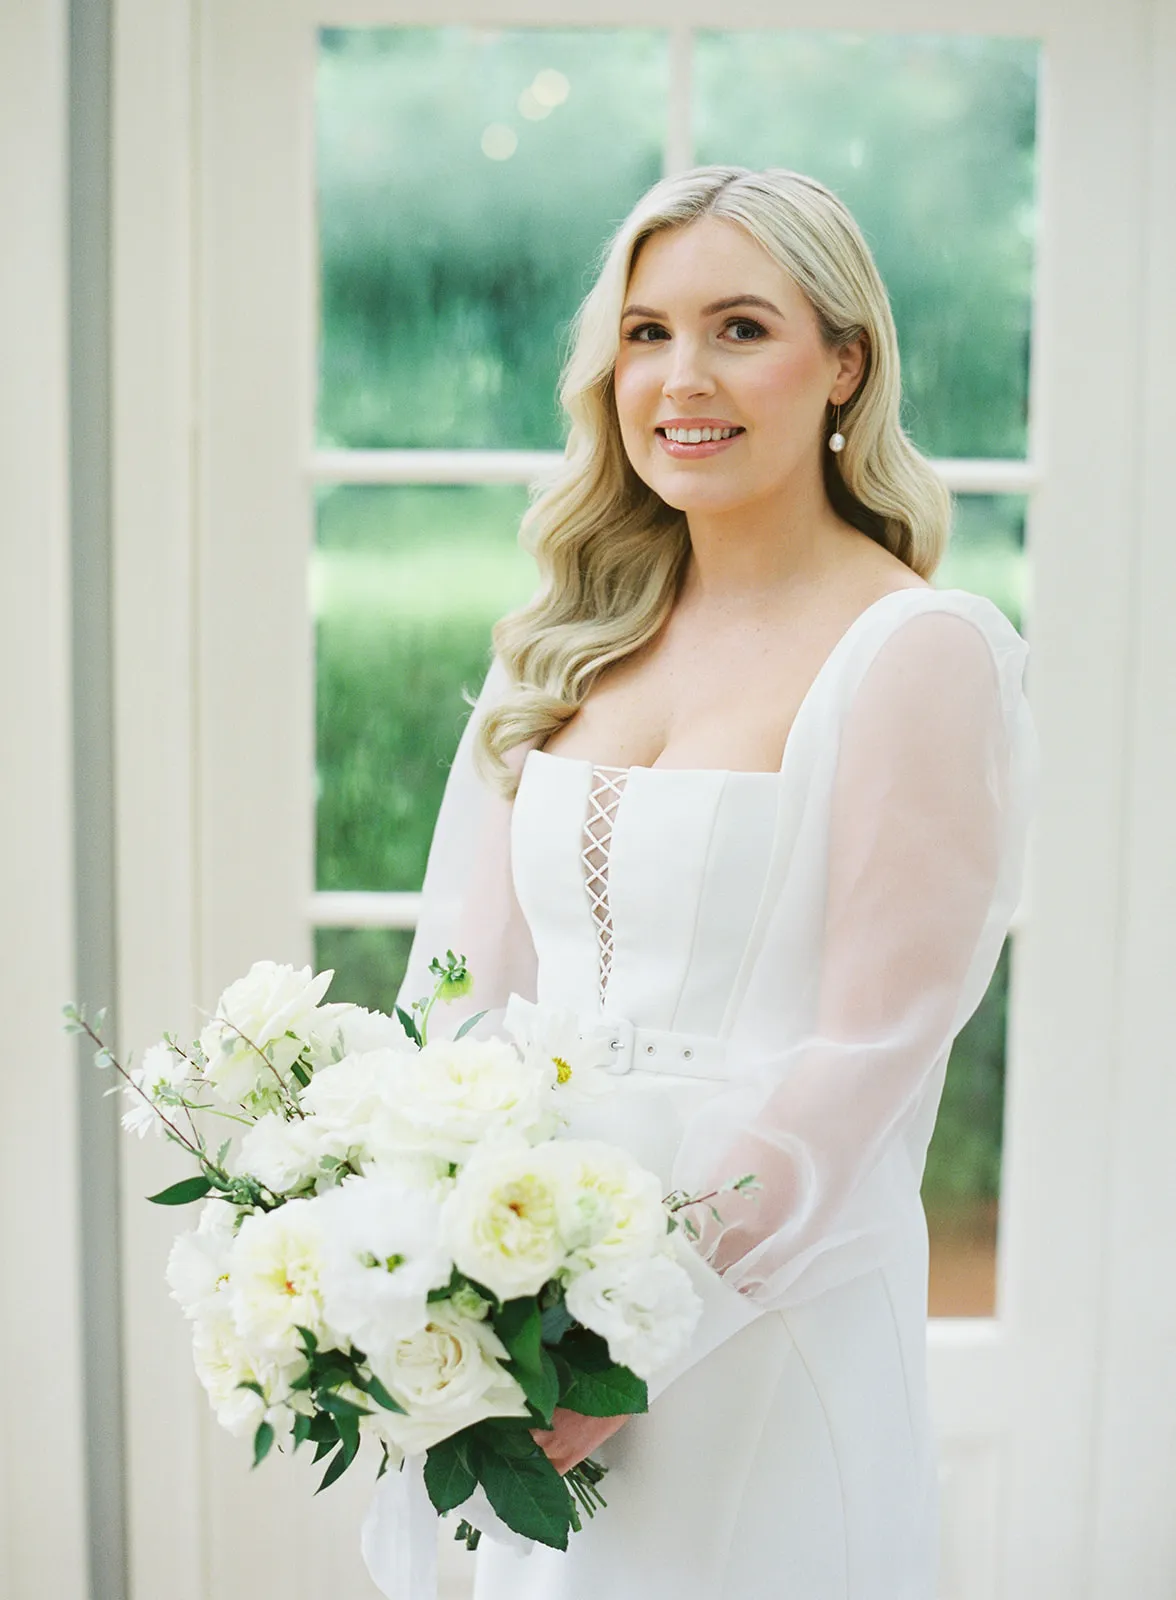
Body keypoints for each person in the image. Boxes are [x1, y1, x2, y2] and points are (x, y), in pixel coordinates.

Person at [391, 166, 1038, 1599]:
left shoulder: (918, 651)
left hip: (758, 1322)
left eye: (741, 327)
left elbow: (866, 1054)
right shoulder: (562, 643)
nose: (683, 378)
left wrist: (625, 1347)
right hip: (525, 1311)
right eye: (645, 333)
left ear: (845, 364)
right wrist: (423, 1278)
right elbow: (458, 992)